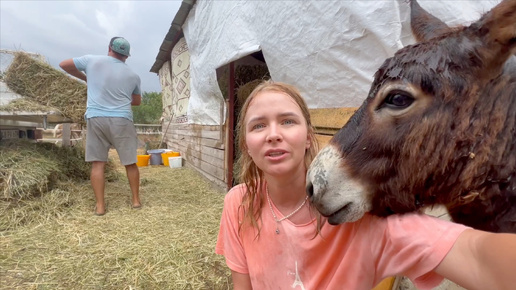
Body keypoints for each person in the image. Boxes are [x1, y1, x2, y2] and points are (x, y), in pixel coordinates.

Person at [215, 80, 516, 289]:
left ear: (308, 137)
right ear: (246, 144)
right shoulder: (238, 204)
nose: (273, 134)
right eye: (258, 125)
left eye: (288, 121)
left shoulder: (361, 216)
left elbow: (475, 255)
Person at [59, 37, 142, 216]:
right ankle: (135, 201)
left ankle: (100, 206)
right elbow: (136, 101)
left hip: (96, 117)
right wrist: (120, 95)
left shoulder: (91, 60)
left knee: (98, 163)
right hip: (122, 120)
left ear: (109, 48)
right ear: (127, 56)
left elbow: (64, 64)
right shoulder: (133, 76)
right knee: (130, 162)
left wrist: (86, 78)